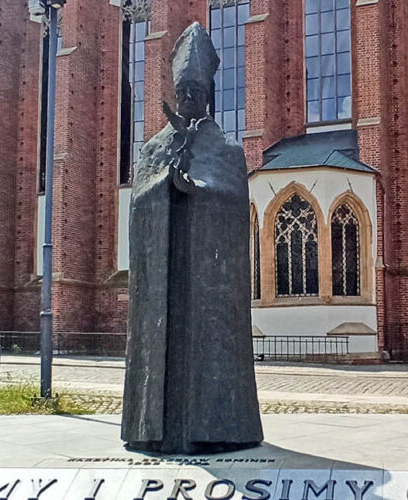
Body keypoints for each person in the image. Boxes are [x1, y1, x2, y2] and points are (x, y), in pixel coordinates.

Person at [121, 23, 263, 454]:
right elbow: (138, 203)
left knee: (210, 351)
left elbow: (235, 199)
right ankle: (154, 431)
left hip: (207, 280)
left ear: (208, 95)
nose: (188, 99)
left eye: (196, 92)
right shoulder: (153, 148)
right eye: (182, 91)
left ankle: (216, 430)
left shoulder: (227, 149)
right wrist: (165, 185)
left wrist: (198, 191)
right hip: (165, 275)